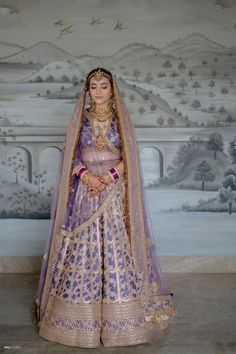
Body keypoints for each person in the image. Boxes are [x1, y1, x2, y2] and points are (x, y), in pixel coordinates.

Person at [32, 67, 176, 348]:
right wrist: (86, 176)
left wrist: (108, 178)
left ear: (112, 90)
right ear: (87, 90)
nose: (98, 92)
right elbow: (70, 157)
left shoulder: (121, 121)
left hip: (112, 193)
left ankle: (118, 319)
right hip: (86, 193)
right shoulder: (80, 121)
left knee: (114, 247)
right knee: (83, 249)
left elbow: (129, 157)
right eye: (93, 86)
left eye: (103, 86)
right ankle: (80, 319)